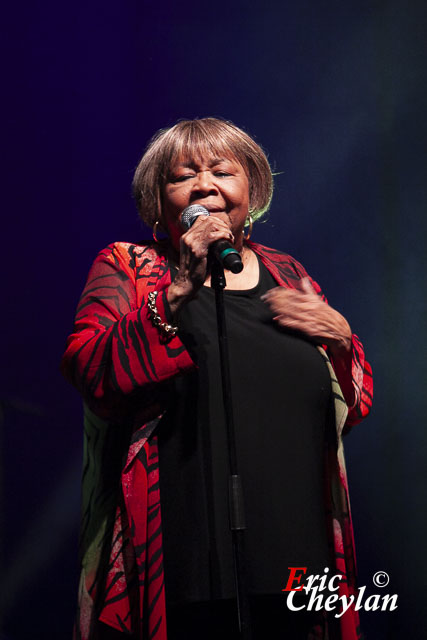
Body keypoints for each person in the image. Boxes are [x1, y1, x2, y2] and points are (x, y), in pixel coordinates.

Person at [61, 117, 373, 640]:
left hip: (300, 560)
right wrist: (179, 287)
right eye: (182, 176)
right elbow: (91, 370)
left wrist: (343, 339)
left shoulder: (290, 274)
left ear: (251, 189)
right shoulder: (128, 267)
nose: (204, 185)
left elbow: (351, 408)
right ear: (158, 203)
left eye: (221, 171)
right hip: (183, 562)